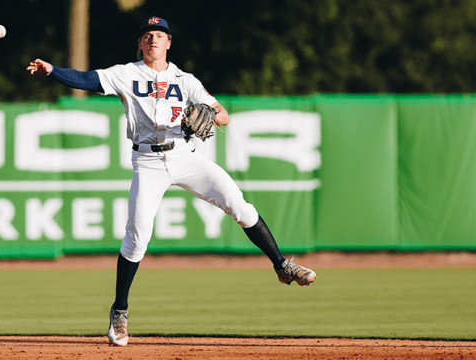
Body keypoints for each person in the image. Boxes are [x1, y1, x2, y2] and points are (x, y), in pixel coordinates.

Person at [27, 16, 317, 347]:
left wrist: (208, 114)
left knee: (239, 204)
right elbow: (86, 79)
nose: (153, 39)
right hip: (148, 161)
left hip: (183, 155)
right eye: (148, 35)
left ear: (169, 42)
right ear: (140, 43)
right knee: (137, 239)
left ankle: (281, 265)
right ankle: (119, 312)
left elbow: (223, 114)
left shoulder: (185, 80)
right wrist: (52, 71)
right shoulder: (127, 73)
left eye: (160, 34)